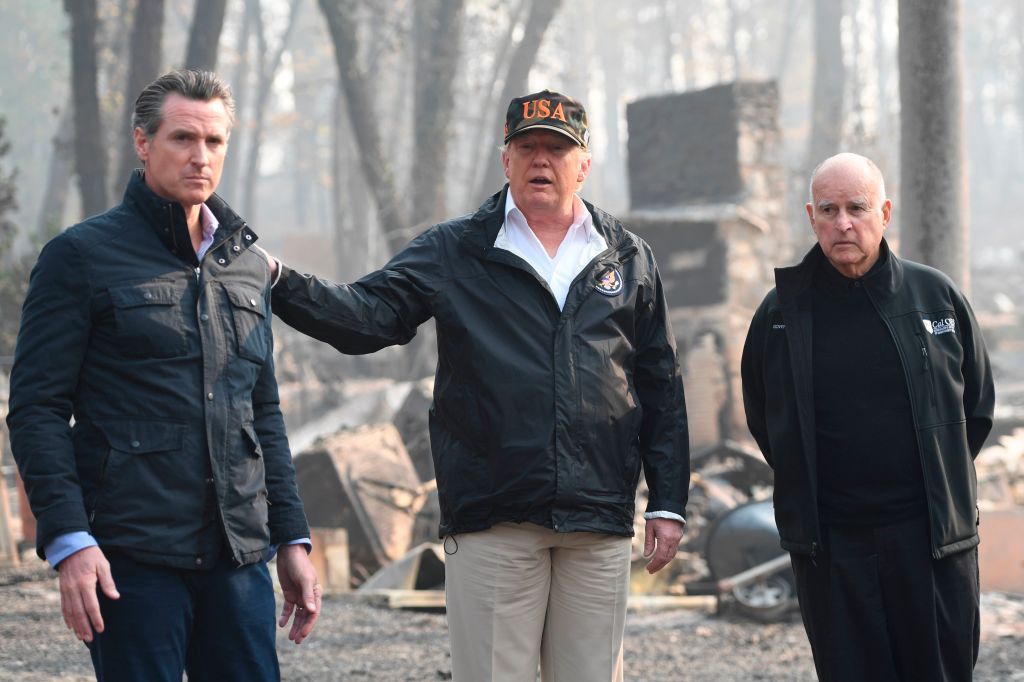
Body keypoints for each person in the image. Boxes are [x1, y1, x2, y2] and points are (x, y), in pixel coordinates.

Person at [264, 89, 690, 681]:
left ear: (584, 164)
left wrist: (668, 502)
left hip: (598, 518)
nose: (542, 161)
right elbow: (367, 317)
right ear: (505, 160)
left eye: (558, 149)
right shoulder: (456, 248)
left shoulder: (627, 257)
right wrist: (277, 279)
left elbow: (660, 385)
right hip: (494, 514)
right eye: (528, 147)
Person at [7, 69, 320, 681]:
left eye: (214, 142)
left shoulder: (250, 268)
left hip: (237, 557)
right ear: (143, 143)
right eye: (182, 138)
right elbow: (38, 409)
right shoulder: (80, 257)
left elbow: (264, 415)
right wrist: (69, 539)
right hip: (130, 557)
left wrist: (293, 538)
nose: (200, 157)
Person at [741, 152, 995, 681]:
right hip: (833, 548)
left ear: (884, 212)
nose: (843, 223)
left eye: (857, 208)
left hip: (930, 541)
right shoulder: (780, 315)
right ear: (811, 217)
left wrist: (936, 476)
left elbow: (976, 408)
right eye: (828, 210)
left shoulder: (936, 298)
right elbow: (768, 421)